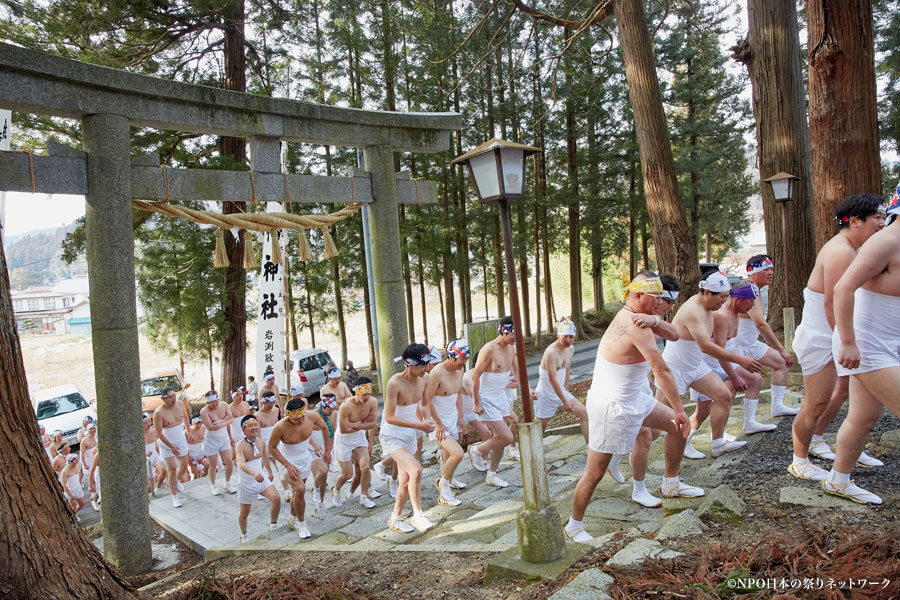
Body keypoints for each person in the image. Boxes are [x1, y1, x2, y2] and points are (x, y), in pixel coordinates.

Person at [564, 272, 694, 542]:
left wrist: (656, 319)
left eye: (662, 298)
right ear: (637, 296)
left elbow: (676, 334)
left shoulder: (641, 315)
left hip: (637, 397)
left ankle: (668, 483)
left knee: (677, 429)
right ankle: (574, 525)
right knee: (595, 472)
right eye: (655, 298)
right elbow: (662, 370)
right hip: (612, 405)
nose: (660, 302)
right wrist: (680, 409)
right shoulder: (635, 323)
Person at [790, 196, 886, 482]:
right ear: (855, 221)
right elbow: (832, 302)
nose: (882, 224)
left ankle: (820, 440)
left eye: (884, 217)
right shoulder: (840, 251)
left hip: (841, 334)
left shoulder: (860, 249)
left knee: (844, 392)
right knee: (815, 402)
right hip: (823, 336)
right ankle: (799, 459)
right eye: (877, 218)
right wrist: (845, 341)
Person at [825, 191, 900, 505]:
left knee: (864, 416)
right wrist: (849, 342)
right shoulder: (885, 241)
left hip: (888, 340)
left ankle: (838, 480)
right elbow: (843, 287)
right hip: (866, 342)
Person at [659, 270, 763, 462]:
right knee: (658, 422)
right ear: (708, 293)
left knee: (723, 396)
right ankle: (622, 453)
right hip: (676, 367)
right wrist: (740, 360)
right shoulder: (692, 311)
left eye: (726, 297)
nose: (724, 301)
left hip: (696, 365)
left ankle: (717, 444)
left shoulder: (710, 309)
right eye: (722, 297)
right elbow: (706, 346)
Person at [681, 280, 773, 459]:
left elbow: (727, 348)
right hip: (709, 364)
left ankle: (733, 430)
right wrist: (735, 375)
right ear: (738, 299)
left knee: (752, 380)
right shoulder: (722, 316)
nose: (753, 305)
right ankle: (685, 442)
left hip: (722, 361)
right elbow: (719, 353)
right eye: (750, 301)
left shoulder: (736, 312)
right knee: (703, 410)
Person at [468, 317, 535, 487]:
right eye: (514, 334)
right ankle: (476, 449)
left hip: (500, 396)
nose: (516, 338)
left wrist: (526, 389)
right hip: (486, 397)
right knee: (506, 436)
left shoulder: (511, 347)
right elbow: (476, 376)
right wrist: (476, 402)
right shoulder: (489, 349)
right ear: (504, 331)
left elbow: (516, 369)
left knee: (512, 424)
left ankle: (492, 474)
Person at [730, 255, 798, 419]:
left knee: (780, 363)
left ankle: (777, 406)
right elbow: (760, 323)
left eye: (772, 269)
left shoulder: (757, 290)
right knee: (732, 386)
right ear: (753, 272)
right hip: (737, 345)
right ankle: (723, 430)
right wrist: (781, 348)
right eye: (766, 269)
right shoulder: (748, 288)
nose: (771, 273)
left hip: (751, 343)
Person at [380, 343, 436, 533]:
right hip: (392, 434)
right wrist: (418, 425)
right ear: (411, 365)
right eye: (423, 365)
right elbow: (389, 416)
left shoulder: (425, 378)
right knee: (417, 471)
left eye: (427, 365)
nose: (427, 369)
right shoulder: (395, 383)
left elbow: (425, 404)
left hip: (410, 433)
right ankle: (418, 515)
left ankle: (395, 518)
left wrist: (427, 421)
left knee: (405, 481)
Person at [269, 398, 332, 539]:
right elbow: (271, 448)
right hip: (288, 459)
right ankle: (301, 524)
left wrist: (327, 450)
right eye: (296, 419)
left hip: (304, 456)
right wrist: (287, 465)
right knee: (300, 489)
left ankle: (292, 516)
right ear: (288, 416)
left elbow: (324, 428)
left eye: (302, 416)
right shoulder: (280, 427)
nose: (300, 420)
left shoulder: (311, 416)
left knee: (297, 492)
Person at [422, 339, 470, 507]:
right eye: (461, 359)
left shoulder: (460, 370)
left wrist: (461, 417)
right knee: (458, 453)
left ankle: (450, 478)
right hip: (436, 420)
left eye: (465, 359)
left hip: (452, 415)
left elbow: (457, 395)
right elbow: (427, 400)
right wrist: (437, 423)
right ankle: (443, 487)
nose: (464, 363)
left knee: (448, 453)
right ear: (451, 357)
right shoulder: (436, 373)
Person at [535, 317, 588, 442]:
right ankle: (532, 452)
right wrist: (565, 400)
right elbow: (552, 379)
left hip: (560, 391)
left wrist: (566, 389)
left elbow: (567, 367)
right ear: (558, 335)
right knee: (539, 429)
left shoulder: (570, 349)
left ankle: (588, 447)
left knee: (584, 414)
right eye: (565, 337)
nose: (568, 340)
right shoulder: (551, 352)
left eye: (571, 337)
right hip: (545, 395)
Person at [332, 377, 378, 509]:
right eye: (364, 394)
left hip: (358, 437)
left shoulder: (372, 402)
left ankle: (363, 496)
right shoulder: (346, 406)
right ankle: (336, 490)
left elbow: (373, 423)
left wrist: (357, 425)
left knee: (365, 467)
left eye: (369, 393)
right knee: (347, 474)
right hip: (344, 440)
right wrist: (363, 424)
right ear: (357, 392)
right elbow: (345, 429)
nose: (367, 397)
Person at [235, 415, 281, 543]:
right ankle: (244, 535)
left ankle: (273, 525)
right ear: (244, 430)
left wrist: (270, 472)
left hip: (261, 479)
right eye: (250, 426)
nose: (254, 428)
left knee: (276, 498)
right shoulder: (240, 446)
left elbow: (265, 457)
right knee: (244, 513)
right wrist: (254, 474)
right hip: (247, 482)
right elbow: (241, 463)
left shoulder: (261, 441)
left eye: (255, 425)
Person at [155, 388, 190, 507]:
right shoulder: (158, 412)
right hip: (166, 442)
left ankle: (177, 480)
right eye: (170, 398)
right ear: (164, 399)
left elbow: (185, 416)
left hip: (180, 438)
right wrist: (171, 446)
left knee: (184, 466)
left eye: (174, 396)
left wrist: (188, 430)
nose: (173, 399)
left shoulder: (180, 404)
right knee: (172, 469)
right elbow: (159, 433)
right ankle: (174, 496)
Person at [200, 390, 237, 496]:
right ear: (208, 403)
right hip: (211, 440)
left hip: (224, 437)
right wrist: (224, 420)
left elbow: (231, 419)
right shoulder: (204, 411)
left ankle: (227, 483)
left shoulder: (224, 405)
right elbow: (211, 427)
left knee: (229, 462)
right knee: (213, 464)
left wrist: (219, 422)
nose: (215, 404)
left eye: (216, 401)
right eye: (212, 402)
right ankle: (213, 485)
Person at [308, 394, 338, 510]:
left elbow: (333, 432)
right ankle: (315, 489)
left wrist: (330, 449)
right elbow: (305, 434)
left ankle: (320, 502)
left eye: (333, 408)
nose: (331, 411)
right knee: (321, 472)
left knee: (324, 477)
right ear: (323, 407)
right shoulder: (312, 415)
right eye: (329, 409)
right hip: (313, 448)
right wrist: (314, 445)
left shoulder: (333, 414)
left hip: (326, 446)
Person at [321, 368, 353, 474]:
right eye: (335, 379)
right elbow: (328, 406)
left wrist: (339, 401)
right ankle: (330, 461)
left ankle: (344, 460)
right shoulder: (324, 389)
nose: (338, 380)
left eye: (339, 378)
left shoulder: (343, 385)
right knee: (332, 437)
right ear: (329, 378)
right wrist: (343, 400)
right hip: (332, 414)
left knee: (344, 437)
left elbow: (350, 398)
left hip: (344, 412)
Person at [143, 413, 166, 491]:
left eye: (148, 422)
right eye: (145, 423)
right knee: (149, 487)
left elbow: (161, 439)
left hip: (154, 455)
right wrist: (144, 454)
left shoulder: (153, 431)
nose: (148, 424)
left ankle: (158, 487)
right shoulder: (138, 435)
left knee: (163, 470)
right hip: (144, 459)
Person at [229, 386, 253, 451]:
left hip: (246, 431)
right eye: (237, 395)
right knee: (236, 454)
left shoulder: (246, 404)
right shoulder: (230, 408)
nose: (240, 397)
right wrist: (230, 437)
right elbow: (227, 425)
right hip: (235, 434)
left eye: (241, 394)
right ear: (233, 397)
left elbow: (248, 418)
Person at [88, 445, 101, 513]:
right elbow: (92, 471)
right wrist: (90, 484)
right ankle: (95, 501)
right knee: (101, 496)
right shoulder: (96, 453)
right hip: (99, 473)